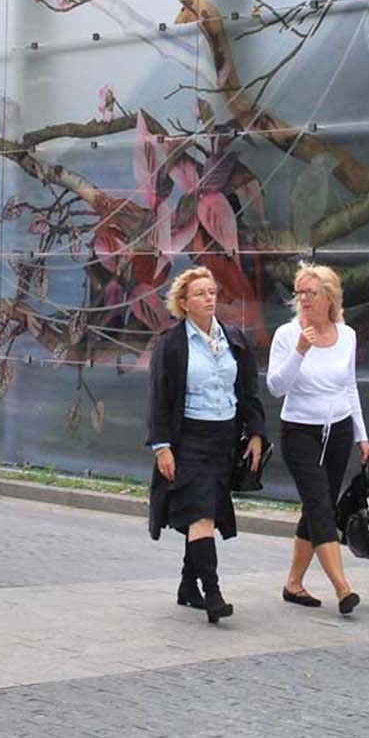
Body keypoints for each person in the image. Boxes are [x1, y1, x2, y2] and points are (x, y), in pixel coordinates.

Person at [145, 265, 266, 624]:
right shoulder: (171, 344)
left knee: (207, 509)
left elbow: (247, 390)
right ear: (184, 302)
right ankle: (212, 593)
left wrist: (256, 433)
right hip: (189, 440)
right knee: (201, 512)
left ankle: (187, 584)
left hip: (224, 438)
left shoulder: (234, 338)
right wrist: (162, 446)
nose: (209, 298)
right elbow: (159, 399)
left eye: (212, 292)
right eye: (200, 293)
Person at [267, 263, 369, 616]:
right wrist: (300, 349)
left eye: (311, 293)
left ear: (330, 297)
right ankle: (343, 588)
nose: (304, 300)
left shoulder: (348, 334)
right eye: (300, 293)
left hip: (339, 429)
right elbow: (275, 387)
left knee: (317, 506)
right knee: (320, 506)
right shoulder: (287, 334)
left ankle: (293, 584)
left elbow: (350, 386)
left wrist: (362, 435)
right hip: (300, 430)